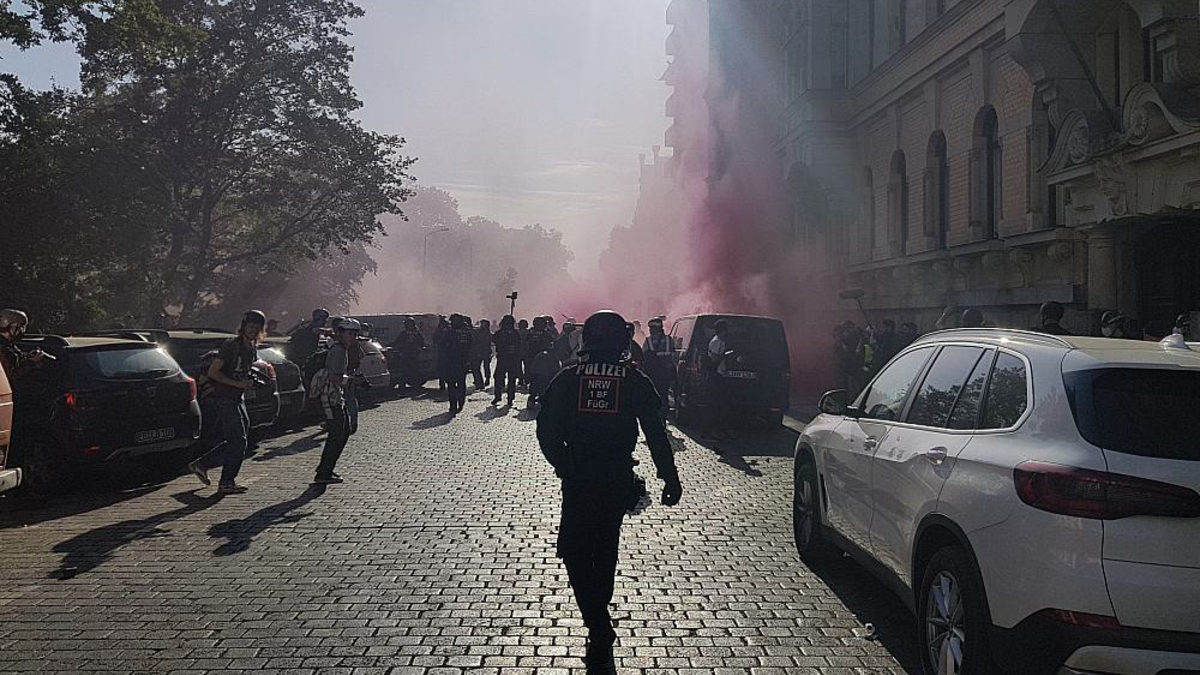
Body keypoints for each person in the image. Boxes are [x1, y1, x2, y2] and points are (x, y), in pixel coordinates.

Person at [536, 310, 682, 673]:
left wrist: (564, 464)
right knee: (604, 551)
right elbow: (655, 432)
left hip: (579, 478)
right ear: (621, 340)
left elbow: (545, 429)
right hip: (616, 476)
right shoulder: (633, 379)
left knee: (572, 550)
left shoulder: (569, 377)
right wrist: (669, 476)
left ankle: (597, 624)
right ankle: (599, 622)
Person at [188, 310, 266, 495]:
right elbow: (214, 372)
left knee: (239, 439)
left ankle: (202, 464)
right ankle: (226, 482)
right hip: (224, 398)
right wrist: (237, 383)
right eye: (251, 327)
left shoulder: (251, 347)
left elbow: (244, 369)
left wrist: (251, 379)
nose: (254, 331)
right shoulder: (232, 345)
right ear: (244, 327)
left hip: (238, 398)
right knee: (238, 440)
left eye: (257, 328)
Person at [313, 317, 365, 484]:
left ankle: (326, 469)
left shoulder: (341, 348)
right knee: (338, 434)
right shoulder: (339, 351)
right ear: (341, 333)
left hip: (336, 396)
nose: (352, 337)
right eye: (349, 333)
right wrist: (352, 380)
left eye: (355, 334)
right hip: (331, 397)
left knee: (342, 431)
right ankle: (324, 471)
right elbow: (335, 377)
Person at [702, 319, 734, 440]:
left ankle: (718, 430)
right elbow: (714, 359)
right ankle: (709, 431)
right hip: (715, 376)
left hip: (720, 375)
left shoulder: (721, 341)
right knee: (714, 405)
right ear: (723, 330)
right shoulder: (716, 342)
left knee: (720, 405)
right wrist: (726, 354)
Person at [0, 309, 47, 384]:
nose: (23, 331)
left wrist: (27, 357)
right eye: (21, 327)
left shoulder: (8, 344)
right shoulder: (2, 349)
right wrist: (32, 363)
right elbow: (9, 378)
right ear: (13, 327)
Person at [441, 314, 474, 415]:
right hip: (462, 362)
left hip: (452, 361)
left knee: (452, 384)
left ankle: (453, 405)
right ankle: (460, 402)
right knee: (460, 383)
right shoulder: (467, 333)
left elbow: (442, 344)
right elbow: (471, 346)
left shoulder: (450, 332)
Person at [641, 317, 674, 409]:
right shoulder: (669, 340)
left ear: (657, 328)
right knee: (664, 395)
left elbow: (643, 357)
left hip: (653, 374)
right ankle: (663, 414)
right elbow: (674, 356)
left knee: (653, 395)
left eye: (652, 328)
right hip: (666, 374)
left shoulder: (648, 341)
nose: (650, 330)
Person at [527, 316, 560, 408]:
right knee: (545, 381)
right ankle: (542, 398)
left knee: (534, 381)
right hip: (545, 361)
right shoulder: (547, 335)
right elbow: (553, 347)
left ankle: (532, 398)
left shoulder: (530, 333)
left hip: (532, 361)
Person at [491, 315, 522, 406]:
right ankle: (497, 396)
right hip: (502, 358)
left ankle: (510, 398)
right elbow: (495, 341)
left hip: (512, 359)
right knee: (498, 378)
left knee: (511, 380)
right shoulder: (499, 333)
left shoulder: (515, 333)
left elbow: (518, 344)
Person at [392, 316, 425, 391]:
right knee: (407, 371)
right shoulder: (406, 333)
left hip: (411, 355)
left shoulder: (415, 333)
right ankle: (406, 386)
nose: (407, 325)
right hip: (408, 355)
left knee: (410, 371)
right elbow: (398, 342)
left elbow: (421, 342)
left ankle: (411, 386)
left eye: (408, 324)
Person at [470, 319, 493, 390]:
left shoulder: (488, 334)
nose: (482, 325)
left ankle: (486, 379)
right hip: (479, 352)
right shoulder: (478, 332)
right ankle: (479, 381)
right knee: (477, 367)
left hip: (485, 352)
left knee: (485, 366)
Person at [516, 318, 530, 390]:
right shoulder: (517, 332)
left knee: (525, 367)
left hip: (525, 351)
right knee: (520, 367)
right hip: (520, 351)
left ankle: (524, 379)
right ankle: (522, 379)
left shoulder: (528, 333)